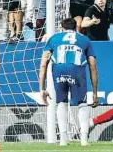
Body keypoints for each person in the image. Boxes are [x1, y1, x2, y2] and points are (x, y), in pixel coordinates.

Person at [39, 17, 98, 147]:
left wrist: (41, 88)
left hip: (59, 69)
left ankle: (63, 139)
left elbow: (43, 64)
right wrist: (94, 92)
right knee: (82, 103)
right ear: (75, 27)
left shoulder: (54, 38)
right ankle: (84, 139)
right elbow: (92, 65)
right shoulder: (84, 39)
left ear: (62, 27)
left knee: (62, 102)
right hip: (76, 69)